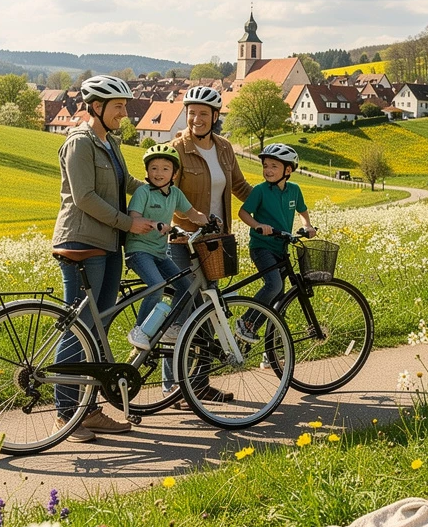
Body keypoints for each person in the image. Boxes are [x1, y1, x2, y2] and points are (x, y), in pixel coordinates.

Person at [52, 74, 157, 442]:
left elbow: (127, 183)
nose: (124, 113)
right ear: (96, 107)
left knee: (98, 327)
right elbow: (84, 197)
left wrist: (163, 193)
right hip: (82, 242)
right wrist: (129, 222)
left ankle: (88, 409)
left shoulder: (109, 142)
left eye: (125, 106)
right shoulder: (79, 143)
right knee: (80, 326)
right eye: (118, 107)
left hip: (109, 243)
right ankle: (67, 414)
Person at [163, 85, 252, 394]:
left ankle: (199, 385)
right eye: (192, 113)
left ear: (215, 116)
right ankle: (173, 387)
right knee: (181, 312)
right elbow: (166, 194)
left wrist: (271, 206)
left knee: (209, 312)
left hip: (214, 242)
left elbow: (239, 186)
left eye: (203, 113)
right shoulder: (176, 149)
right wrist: (193, 218)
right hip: (182, 242)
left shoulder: (224, 148)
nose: (196, 119)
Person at [124, 144, 210, 350]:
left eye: (165, 168)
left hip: (160, 253)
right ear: (147, 171)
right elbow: (134, 218)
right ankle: (139, 330)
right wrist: (155, 224)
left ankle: (173, 327)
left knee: (186, 286)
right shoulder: (143, 192)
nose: (159, 173)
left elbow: (192, 213)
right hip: (139, 250)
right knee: (157, 286)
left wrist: (208, 221)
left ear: (174, 173)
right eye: (154, 168)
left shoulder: (175, 194)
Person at [235, 143, 316, 341]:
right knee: (273, 285)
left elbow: (302, 210)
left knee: (279, 298)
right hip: (262, 247)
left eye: (274, 166)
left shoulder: (294, 190)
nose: (268, 170)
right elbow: (243, 212)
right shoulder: (260, 191)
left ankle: (271, 345)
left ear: (288, 170)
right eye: (265, 166)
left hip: (282, 248)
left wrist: (307, 225)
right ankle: (246, 323)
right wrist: (257, 225)